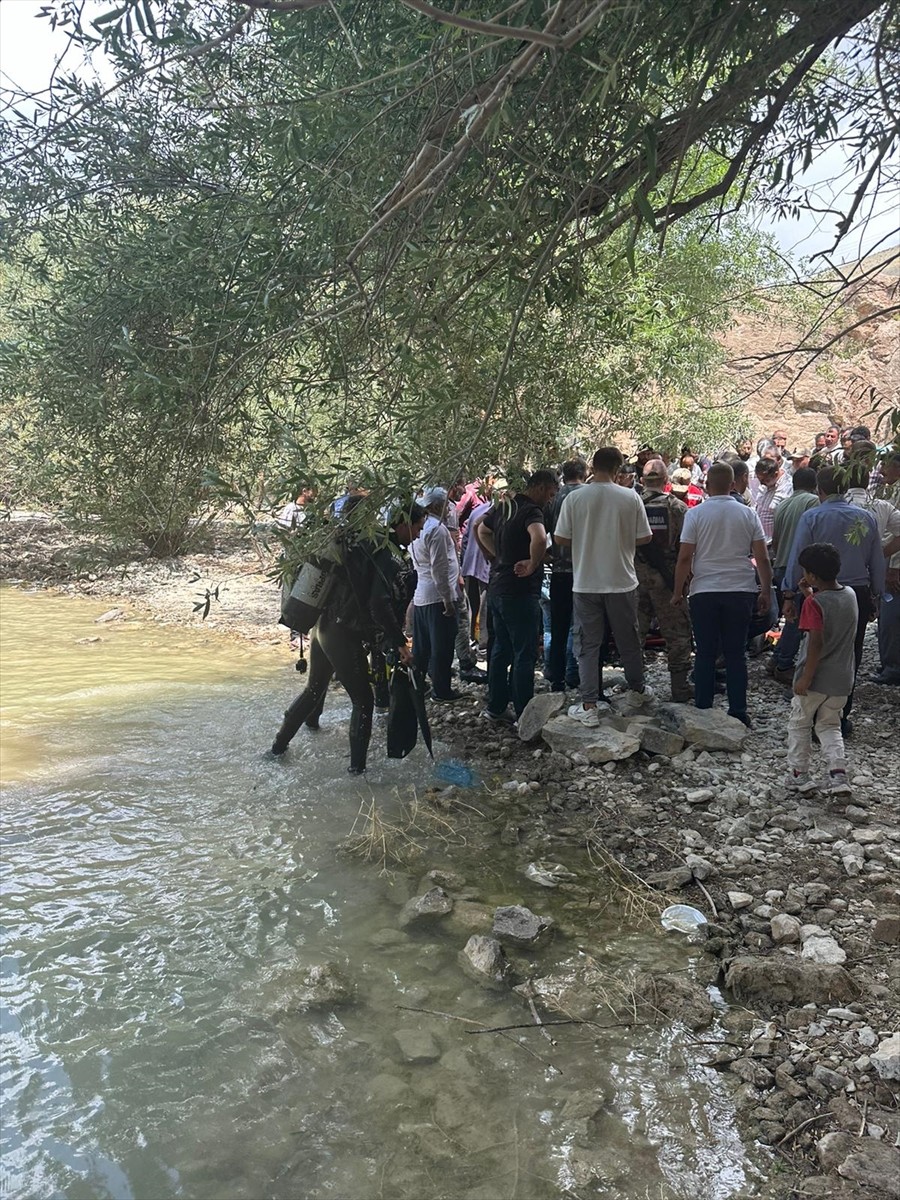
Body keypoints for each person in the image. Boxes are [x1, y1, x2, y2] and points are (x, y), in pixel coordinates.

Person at [271, 502, 426, 772]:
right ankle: (357, 775)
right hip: (342, 632)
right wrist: (399, 641)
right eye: (417, 527)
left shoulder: (366, 543)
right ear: (403, 524)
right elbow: (379, 603)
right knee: (363, 702)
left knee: (314, 689)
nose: (419, 534)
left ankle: (276, 749)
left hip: (323, 626)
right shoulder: (386, 555)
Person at [553, 447, 654, 726]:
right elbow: (644, 538)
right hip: (622, 580)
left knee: (587, 644)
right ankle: (637, 691)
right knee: (629, 640)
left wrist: (587, 538)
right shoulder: (630, 497)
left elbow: (561, 538)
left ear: (591, 468)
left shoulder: (575, 498)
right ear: (618, 469)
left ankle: (589, 705)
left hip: (586, 581)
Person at [783, 466, 886, 737]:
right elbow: (876, 561)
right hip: (856, 594)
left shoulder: (812, 517)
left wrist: (789, 593)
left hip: (818, 591)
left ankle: (814, 709)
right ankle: (839, 716)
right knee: (850, 652)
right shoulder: (865, 517)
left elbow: (799, 558)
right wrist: (876, 595)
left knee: (814, 648)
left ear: (820, 489)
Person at [672, 461, 771, 726]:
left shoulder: (695, 514)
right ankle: (738, 711)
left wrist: (677, 591)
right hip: (740, 589)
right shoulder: (748, 514)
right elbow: (762, 557)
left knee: (704, 652)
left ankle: (703, 708)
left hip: (704, 590)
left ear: (706, 485)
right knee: (736, 652)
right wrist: (766, 592)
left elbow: (684, 558)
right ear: (733, 484)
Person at [477, 469, 558, 722]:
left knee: (501, 648)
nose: (551, 500)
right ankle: (524, 710)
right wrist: (534, 564)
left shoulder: (505, 506)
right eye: (551, 494)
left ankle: (496, 706)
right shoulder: (532, 510)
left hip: (497, 587)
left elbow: (481, 530)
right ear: (542, 488)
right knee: (524, 651)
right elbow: (540, 537)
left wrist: (497, 556)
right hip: (520, 591)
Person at [786, 543, 857, 797]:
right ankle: (838, 774)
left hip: (815, 678)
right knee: (830, 725)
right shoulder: (849, 594)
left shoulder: (814, 604)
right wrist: (809, 594)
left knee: (800, 723)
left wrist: (806, 676)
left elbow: (816, 641)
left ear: (812, 575)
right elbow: (831, 616)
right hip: (841, 678)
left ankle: (799, 774)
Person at [636, 459, 693, 701]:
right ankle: (679, 688)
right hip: (668, 578)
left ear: (642, 480)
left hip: (634, 577)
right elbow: (687, 546)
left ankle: (635, 687)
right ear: (666, 481)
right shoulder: (677, 507)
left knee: (634, 633)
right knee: (677, 634)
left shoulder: (632, 506)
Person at [845, 445, 900, 686]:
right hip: (876, 566)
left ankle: (892, 666)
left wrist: (890, 563)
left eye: (885, 464)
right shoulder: (883, 499)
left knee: (889, 618)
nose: (882, 469)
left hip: (884, 567)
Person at [768, 467, 819, 683]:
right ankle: (784, 664)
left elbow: (776, 539)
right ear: (814, 484)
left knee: (789, 616)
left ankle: (777, 657)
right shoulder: (813, 503)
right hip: (799, 567)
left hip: (781, 565)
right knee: (796, 621)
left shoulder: (783, 504)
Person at [411, 486, 462, 702]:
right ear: (437, 506)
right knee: (442, 646)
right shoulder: (437, 530)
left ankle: (416, 684)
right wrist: (448, 600)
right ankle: (442, 691)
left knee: (422, 646)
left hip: (421, 594)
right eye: (446, 505)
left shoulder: (420, 527)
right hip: (437, 596)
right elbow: (439, 569)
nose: (449, 509)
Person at [544, 459, 587, 692]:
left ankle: (556, 678)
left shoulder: (554, 499)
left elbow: (545, 530)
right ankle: (575, 672)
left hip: (559, 569)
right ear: (584, 473)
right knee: (580, 626)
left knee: (558, 627)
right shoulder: (588, 495)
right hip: (584, 570)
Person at [752, 457, 790, 544]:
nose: (762, 483)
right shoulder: (767, 484)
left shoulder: (786, 486)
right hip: (761, 539)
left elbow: (776, 510)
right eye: (760, 480)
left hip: (775, 542)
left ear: (776, 474)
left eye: (765, 480)